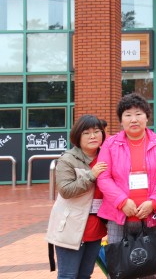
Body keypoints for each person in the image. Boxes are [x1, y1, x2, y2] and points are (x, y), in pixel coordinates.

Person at [97, 93, 156, 279]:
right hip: (118, 217)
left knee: (150, 269)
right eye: (128, 115)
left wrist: (153, 202)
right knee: (120, 270)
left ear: (147, 117)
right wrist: (122, 201)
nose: (134, 119)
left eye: (138, 114)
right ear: (121, 120)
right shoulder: (110, 145)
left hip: (150, 216)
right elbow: (103, 178)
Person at [46, 115, 108, 279]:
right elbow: (65, 190)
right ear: (77, 136)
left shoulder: (106, 156)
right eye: (86, 133)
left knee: (85, 275)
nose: (93, 136)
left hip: (96, 228)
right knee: (68, 275)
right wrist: (91, 175)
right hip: (71, 227)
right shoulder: (68, 159)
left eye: (97, 131)